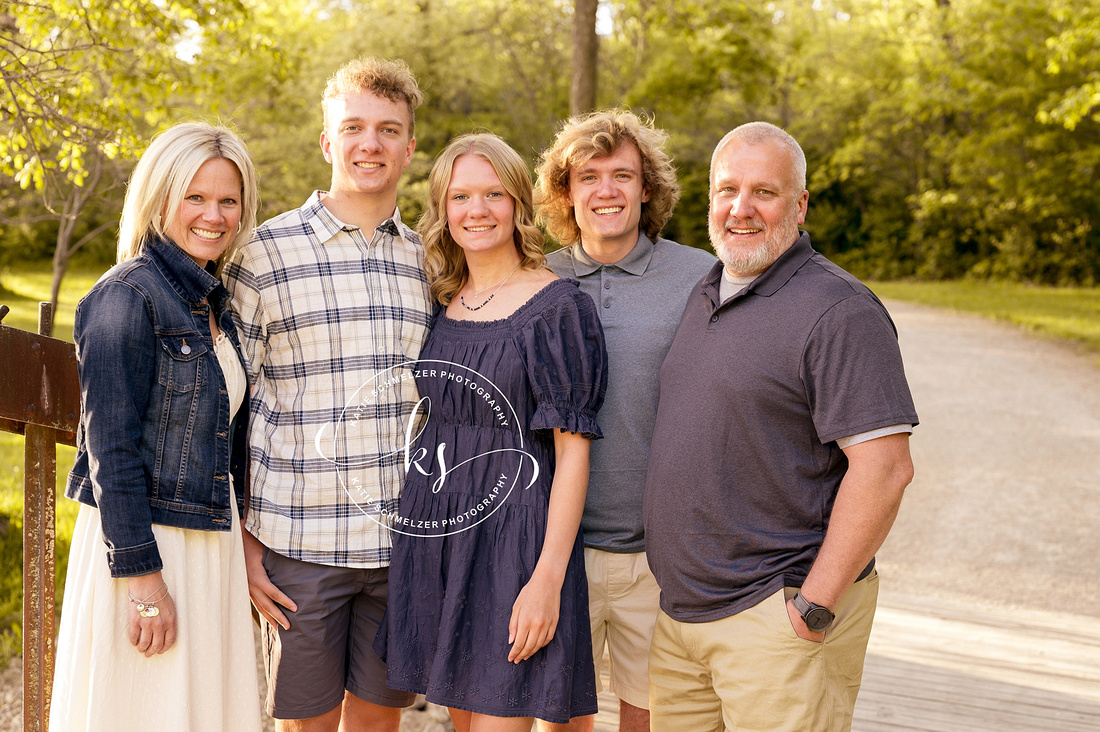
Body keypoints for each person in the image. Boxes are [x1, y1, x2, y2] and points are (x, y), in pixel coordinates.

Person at [642, 121, 919, 732]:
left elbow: (886, 469)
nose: (741, 208)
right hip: (682, 620)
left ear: (799, 205)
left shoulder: (839, 310)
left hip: (774, 617)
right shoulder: (707, 291)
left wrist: (813, 609)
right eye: (727, 190)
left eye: (764, 192)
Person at [221, 57, 431, 731]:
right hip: (297, 549)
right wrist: (245, 547)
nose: (370, 143)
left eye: (388, 129)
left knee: (377, 725)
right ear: (328, 142)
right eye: (355, 127)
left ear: (409, 146)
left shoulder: (431, 260)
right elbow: (223, 411)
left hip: (400, 549)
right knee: (305, 726)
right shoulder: (262, 255)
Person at [374, 132, 608, 731]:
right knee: (463, 720)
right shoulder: (443, 299)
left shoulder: (557, 307)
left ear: (518, 205)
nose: (476, 210)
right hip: (441, 533)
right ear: (442, 209)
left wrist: (548, 577)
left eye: (493, 194)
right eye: (460, 197)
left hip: (516, 540)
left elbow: (572, 454)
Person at [49, 122, 261, 732]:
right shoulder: (127, 297)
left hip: (206, 541)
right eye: (194, 197)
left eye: (228, 200)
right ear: (159, 196)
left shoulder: (210, 301)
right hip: (148, 547)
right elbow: (108, 452)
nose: (214, 215)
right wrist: (144, 581)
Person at [535, 109, 715, 732]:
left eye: (622, 175)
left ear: (647, 188)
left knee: (651, 719)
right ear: (567, 192)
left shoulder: (700, 277)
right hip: (557, 548)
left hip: (658, 552)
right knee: (563, 717)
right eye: (589, 176)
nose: (606, 190)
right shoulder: (539, 279)